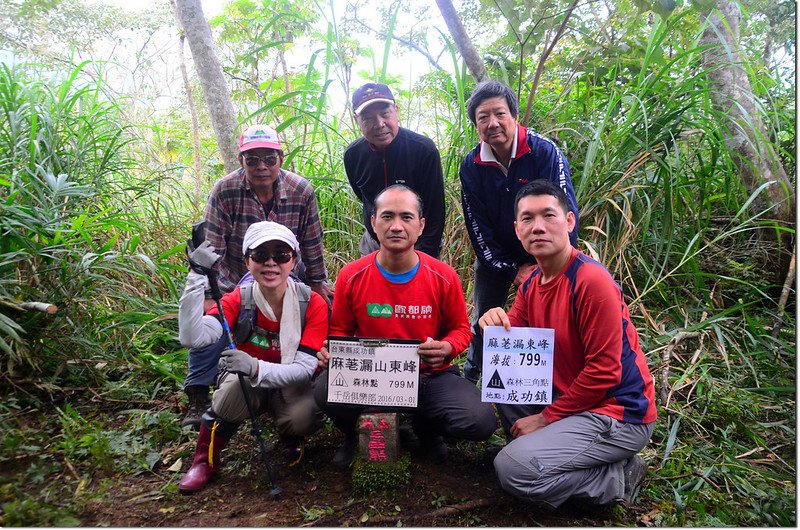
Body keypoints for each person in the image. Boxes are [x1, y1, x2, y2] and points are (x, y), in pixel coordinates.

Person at [478, 180, 656, 508]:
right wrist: (493, 321)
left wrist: (545, 419)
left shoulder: (591, 281)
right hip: (571, 398)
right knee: (504, 386)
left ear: (570, 221)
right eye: (528, 219)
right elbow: (512, 341)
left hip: (617, 412)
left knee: (511, 469)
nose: (539, 227)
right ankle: (541, 453)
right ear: (517, 230)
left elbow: (604, 372)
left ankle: (616, 478)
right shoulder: (532, 282)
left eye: (549, 215)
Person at [314, 185, 497, 468]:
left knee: (479, 420)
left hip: (429, 376)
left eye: (407, 217)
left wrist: (447, 347)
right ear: (373, 223)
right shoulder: (352, 275)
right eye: (387, 216)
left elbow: (461, 329)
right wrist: (334, 353)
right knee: (324, 388)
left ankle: (426, 430)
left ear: (421, 225)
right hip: (372, 379)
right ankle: (357, 432)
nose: (396, 226)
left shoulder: (443, 276)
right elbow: (339, 330)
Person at [181, 124, 334, 429]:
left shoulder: (301, 190)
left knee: (318, 308)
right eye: (252, 160)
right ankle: (199, 391)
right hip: (238, 268)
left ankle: (301, 380)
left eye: (269, 159)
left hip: (287, 263)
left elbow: (312, 240)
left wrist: (317, 282)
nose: (262, 167)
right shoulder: (225, 190)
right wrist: (211, 291)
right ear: (241, 161)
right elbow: (213, 245)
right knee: (216, 315)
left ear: (281, 157)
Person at [177, 221, 329, 493]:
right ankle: (205, 460)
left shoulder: (312, 303)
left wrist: (256, 366)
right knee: (232, 389)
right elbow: (193, 338)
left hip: (289, 381)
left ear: (293, 260)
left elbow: (306, 368)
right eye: (260, 255)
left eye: (281, 255)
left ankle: (290, 436)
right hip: (247, 381)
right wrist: (196, 276)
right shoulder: (238, 300)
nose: (271, 264)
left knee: (303, 416)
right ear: (247, 261)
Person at [460, 80, 580, 384]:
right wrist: (511, 269)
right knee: (485, 317)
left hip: (549, 254)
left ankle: (545, 382)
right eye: (482, 117)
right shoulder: (472, 165)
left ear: (514, 116)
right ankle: (474, 375)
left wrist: (545, 262)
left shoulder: (543, 152)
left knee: (550, 319)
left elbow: (564, 212)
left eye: (499, 113)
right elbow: (477, 227)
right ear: (475, 125)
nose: (492, 123)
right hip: (496, 256)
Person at [344, 82, 446, 258]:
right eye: (368, 118)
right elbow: (365, 198)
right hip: (374, 244)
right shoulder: (354, 155)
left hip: (420, 242)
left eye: (385, 114)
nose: (379, 124)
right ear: (357, 120)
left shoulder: (423, 150)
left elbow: (435, 210)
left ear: (396, 111)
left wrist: (424, 257)